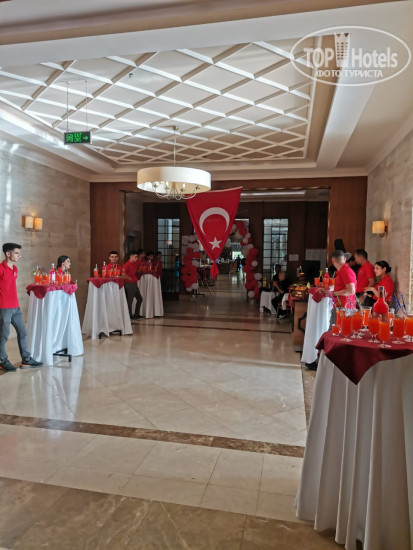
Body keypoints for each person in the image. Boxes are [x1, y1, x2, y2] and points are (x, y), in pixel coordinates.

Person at [306, 250, 356, 371]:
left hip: (343, 308)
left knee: (333, 335)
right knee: (333, 335)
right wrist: (327, 290)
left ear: (333, 261)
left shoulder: (346, 271)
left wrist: (332, 294)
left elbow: (351, 290)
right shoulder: (342, 271)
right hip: (340, 307)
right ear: (344, 259)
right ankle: (324, 363)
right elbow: (340, 286)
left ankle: (323, 363)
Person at [0, 243, 43, 372]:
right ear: (8, 254)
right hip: (4, 307)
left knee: (23, 332)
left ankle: (26, 359)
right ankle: (2, 360)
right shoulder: (0, 269)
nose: (19, 255)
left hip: (15, 307)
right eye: (17, 253)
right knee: (4, 335)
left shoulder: (15, 269)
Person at [123, 250, 143, 319]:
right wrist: (128, 277)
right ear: (131, 256)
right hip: (130, 284)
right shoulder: (127, 264)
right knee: (130, 300)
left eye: (137, 257)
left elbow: (135, 270)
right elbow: (123, 272)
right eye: (135, 257)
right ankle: (129, 315)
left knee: (140, 299)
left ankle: (136, 314)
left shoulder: (133, 263)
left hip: (134, 284)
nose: (136, 258)